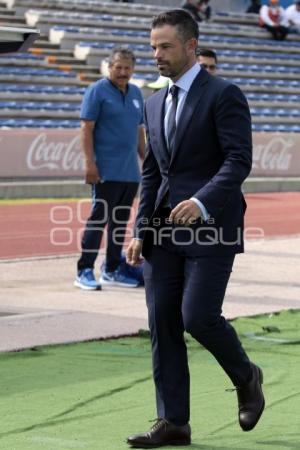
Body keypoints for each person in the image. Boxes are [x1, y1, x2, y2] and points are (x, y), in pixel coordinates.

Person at [126, 9, 265, 448]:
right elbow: (152, 174)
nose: (156, 55)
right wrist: (139, 229)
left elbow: (238, 160)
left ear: (189, 46)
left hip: (212, 226)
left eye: (164, 46)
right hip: (163, 231)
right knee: (162, 322)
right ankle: (174, 422)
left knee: (197, 317)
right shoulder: (152, 101)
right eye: (152, 47)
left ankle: (247, 377)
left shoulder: (224, 94)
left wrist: (202, 200)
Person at [74, 47, 145, 291]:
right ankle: (84, 270)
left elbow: (139, 131)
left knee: (119, 223)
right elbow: (86, 128)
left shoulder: (136, 93)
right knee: (98, 221)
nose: (123, 72)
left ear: (133, 70)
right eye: (118, 67)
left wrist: (146, 159)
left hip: (130, 174)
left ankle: (112, 269)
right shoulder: (97, 91)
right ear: (109, 67)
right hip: (105, 171)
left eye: (127, 68)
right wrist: (89, 163)